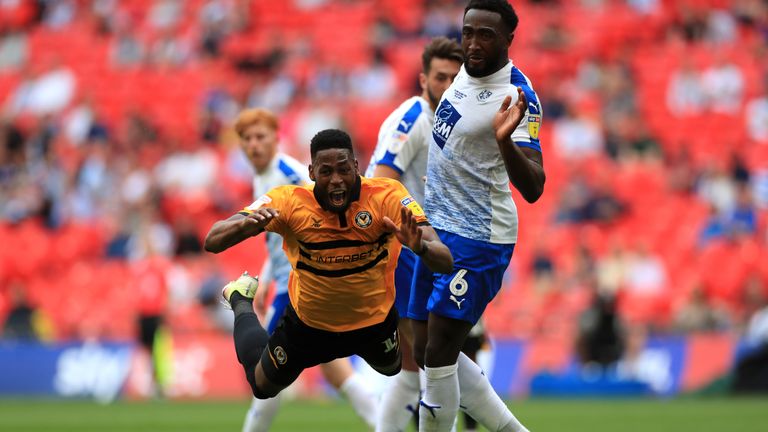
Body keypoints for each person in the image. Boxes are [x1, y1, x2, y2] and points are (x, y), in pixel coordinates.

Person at [204, 129, 454, 413]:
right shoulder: (288, 201)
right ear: (311, 172)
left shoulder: (387, 196)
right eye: (326, 172)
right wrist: (243, 227)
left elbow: (445, 260)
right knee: (262, 387)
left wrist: (420, 247)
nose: (336, 180)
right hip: (308, 328)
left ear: (357, 167)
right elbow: (212, 239)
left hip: (373, 325)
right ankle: (239, 300)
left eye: (344, 170)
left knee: (392, 367)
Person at [411, 1, 546, 430]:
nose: (472, 42)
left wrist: (505, 142)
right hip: (436, 231)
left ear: (509, 39)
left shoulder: (517, 94)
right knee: (422, 350)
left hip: (478, 238)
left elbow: (535, 188)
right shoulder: (464, 75)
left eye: (485, 34)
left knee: (438, 355)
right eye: (468, 32)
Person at [228, 109, 382, 431]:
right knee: (334, 370)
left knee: (264, 374)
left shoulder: (288, 172)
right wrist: (266, 278)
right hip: (289, 281)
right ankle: (386, 424)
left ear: (276, 138)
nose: (254, 145)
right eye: (247, 139)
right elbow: (279, 241)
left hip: (300, 284)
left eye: (261, 137)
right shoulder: (263, 177)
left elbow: (322, 206)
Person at [364, 36, 463, 432]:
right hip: (405, 245)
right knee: (432, 353)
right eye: (441, 77)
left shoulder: (449, 122)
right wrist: (410, 233)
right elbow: (382, 181)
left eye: (456, 79)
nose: (448, 86)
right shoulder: (414, 118)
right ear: (423, 79)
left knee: (416, 360)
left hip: (429, 247)